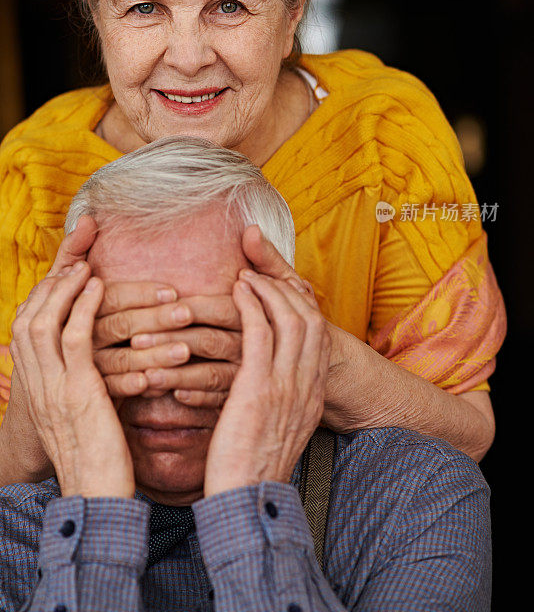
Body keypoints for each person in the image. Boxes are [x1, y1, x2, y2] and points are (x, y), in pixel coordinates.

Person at [0, 0, 506, 484]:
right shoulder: (33, 173)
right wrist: (58, 380)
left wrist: (324, 363)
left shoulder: (387, 135)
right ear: (95, 10)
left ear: (295, 7)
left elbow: (469, 432)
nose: (186, 57)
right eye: (144, 9)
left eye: (230, 6)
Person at [0, 138, 491, 612]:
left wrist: (249, 503)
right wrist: (94, 512)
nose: (167, 384)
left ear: (291, 324)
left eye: (209, 335)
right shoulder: (14, 521)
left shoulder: (414, 497)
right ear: (62, 334)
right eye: (126, 340)